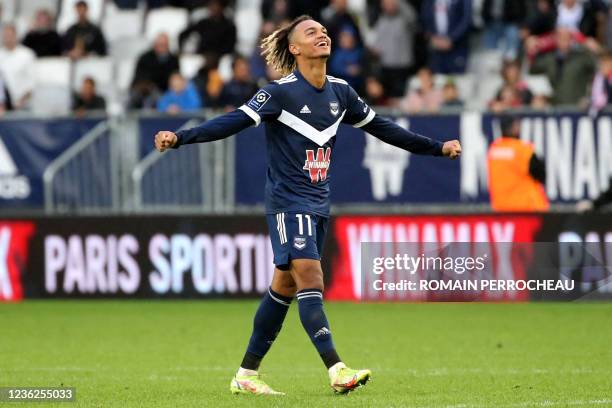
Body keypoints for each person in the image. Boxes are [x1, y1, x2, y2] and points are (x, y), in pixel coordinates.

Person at [154, 15, 461, 396]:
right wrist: (180, 137)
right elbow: (232, 121)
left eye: (324, 30)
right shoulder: (278, 93)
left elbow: (385, 129)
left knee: (283, 285)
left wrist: (436, 147)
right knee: (311, 278)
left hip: (318, 201)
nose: (323, 34)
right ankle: (336, 369)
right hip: (287, 201)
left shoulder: (341, 92)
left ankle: (246, 374)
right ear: (294, 48)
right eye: (311, 32)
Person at [488, 116, 549, 212]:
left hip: (501, 208)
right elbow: (541, 174)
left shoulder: (494, 149)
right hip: (526, 208)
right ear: (513, 128)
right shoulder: (522, 150)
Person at [530, 28, 596, 105]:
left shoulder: (581, 58)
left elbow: (598, 70)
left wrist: (594, 51)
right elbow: (532, 70)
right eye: (560, 38)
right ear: (556, 39)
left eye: (567, 38)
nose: (564, 41)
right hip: (556, 108)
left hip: (578, 108)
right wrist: (533, 52)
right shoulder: (549, 59)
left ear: (572, 40)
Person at [371, 0, 417, 97]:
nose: (389, 6)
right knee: (386, 99)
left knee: (400, 99)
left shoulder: (405, 19)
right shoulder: (381, 20)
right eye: (386, 4)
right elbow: (376, 40)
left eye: (391, 4)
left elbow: (413, 16)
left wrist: (398, 2)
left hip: (402, 67)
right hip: (385, 66)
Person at [421, 0, 472, 74]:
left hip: (457, 48)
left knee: (456, 80)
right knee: (438, 80)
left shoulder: (463, 2)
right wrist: (432, 38)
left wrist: (451, 38)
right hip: (436, 49)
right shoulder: (429, 2)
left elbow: (466, 20)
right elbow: (424, 19)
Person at [0, 24, 36, 110]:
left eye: (10, 35)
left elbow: (34, 82)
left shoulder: (27, 54)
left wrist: (21, 101)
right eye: (5, 35)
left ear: (16, 36)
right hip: (3, 106)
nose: (8, 38)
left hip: (25, 104)